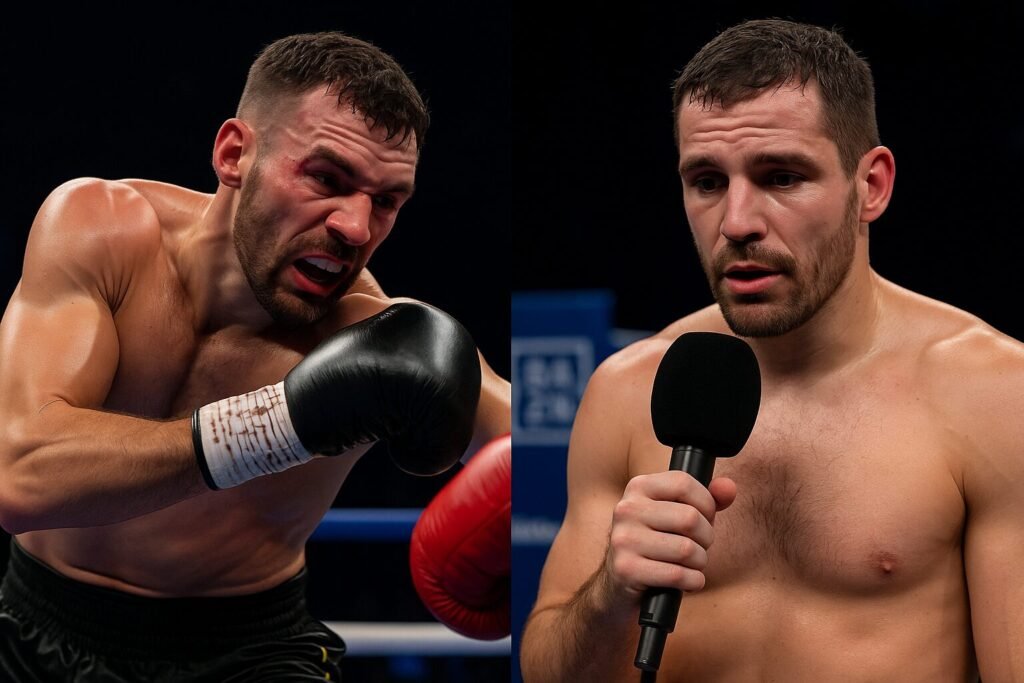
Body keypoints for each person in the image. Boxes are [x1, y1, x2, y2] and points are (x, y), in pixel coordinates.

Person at [519, 17, 1023, 682]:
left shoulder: (991, 394)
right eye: (706, 181)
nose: (736, 222)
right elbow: (550, 672)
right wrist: (612, 593)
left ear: (870, 186)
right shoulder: (627, 390)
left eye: (781, 177)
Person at [0, 31, 511, 681]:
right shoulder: (102, 233)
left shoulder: (374, 336)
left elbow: (552, 449)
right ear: (235, 153)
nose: (356, 227)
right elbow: (17, 475)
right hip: (35, 631)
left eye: (386, 201)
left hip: (249, 655)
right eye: (327, 177)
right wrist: (279, 424)